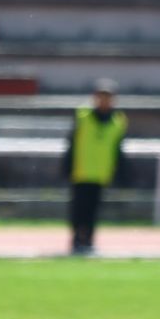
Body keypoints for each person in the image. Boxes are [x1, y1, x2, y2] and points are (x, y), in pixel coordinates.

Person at [62, 79, 128, 256]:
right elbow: (71, 142)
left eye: (108, 97)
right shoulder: (83, 116)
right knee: (78, 209)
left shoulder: (118, 121)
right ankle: (77, 239)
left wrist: (120, 171)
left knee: (94, 209)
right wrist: (67, 166)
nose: (104, 100)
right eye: (101, 96)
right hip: (81, 170)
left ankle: (89, 240)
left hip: (101, 172)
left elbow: (118, 148)